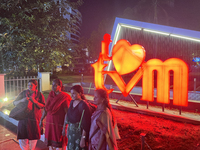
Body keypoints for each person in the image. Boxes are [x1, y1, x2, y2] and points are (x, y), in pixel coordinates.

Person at [13, 79, 45, 150]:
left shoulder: (39, 95)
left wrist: (35, 101)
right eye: (28, 85)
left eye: (31, 85)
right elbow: (14, 103)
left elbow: (42, 106)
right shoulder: (23, 93)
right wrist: (22, 100)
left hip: (34, 120)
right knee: (23, 137)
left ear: (36, 86)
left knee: (33, 138)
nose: (29, 86)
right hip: (23, 119)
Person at [39, 79, 71, 150]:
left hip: (58, 124)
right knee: (50, 143)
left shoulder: (64, 97)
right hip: (49, 123)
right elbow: (46, 109)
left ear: (60, 86)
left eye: (55, 85)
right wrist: (41, 120)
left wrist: (65, 127)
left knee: (59, 143)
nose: (53, 87)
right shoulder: (51, 95)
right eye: (52, 85)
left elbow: (67, 113)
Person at [63, 85, 92, 150]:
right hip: (71, 134)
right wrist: (66, 129)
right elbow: (68, 117)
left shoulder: (83, 105)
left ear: (80, 94)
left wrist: (83, 138)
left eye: (74, 93)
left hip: (79, 134)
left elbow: (86, 124)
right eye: (71, 93)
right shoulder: (72, 102)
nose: (71, 95)